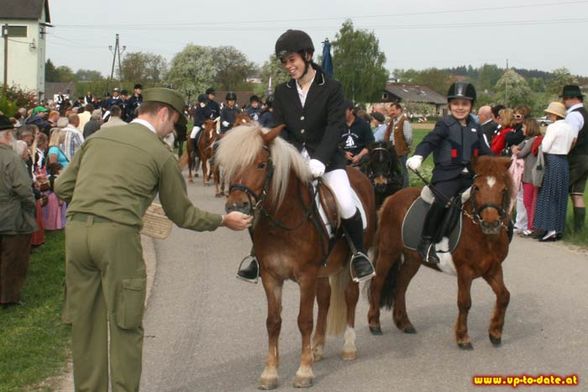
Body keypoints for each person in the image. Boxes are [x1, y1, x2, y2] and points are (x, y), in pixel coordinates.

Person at [54, 88, 252, 392]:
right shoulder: (160, 154)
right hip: (117, 238)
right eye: (173, 124)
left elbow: (62, 186)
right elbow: (183, 214)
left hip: (78, 233)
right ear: (163, 114)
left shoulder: (97, 139)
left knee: (86, 324)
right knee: (125, 324)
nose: (172, 131)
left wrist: (94, 203)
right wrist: (222, 220)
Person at [237, 29, 375, 283]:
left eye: (292, 60)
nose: (288, 66)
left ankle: (359, 255)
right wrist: (291, 156)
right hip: (291, 161)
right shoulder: (282, 91)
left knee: (345, 203)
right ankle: (257, 256)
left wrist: (320, 158)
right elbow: (280, 128)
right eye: (284, 62)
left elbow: (335, 126)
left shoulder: (332, 88)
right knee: (262, 200)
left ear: (308, 55)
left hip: (328, 161)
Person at [406, 82, 491, 263]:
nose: (460, 108)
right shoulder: (444, 125)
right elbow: (429, 141)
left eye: (465, 104)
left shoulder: (477, 128)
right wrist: (419, 156)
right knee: (443, 200)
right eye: (456, 104)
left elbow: (487, 152)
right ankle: (426, 241)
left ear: (471, 106)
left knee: (491, 198)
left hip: (471, 176)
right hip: (447, 176)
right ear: (450, 105)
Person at [0, 115, 36, 307]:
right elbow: (24, 188)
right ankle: (8, 296)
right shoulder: (12, 158)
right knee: (13, 259)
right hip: (11, 216)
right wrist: (30, 208)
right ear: (7, 135)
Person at [534, 102, 576, 241]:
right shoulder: (569, 128)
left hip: (552, 160)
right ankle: (557, 228)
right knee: (560, 196)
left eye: (550, 114)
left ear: (554, 115)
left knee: (548, 195)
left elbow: (545, 147)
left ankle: (549, 228)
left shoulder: (553, 127)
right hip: (563, 161)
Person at [562, 85, 588, 233]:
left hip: (576, 158)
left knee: (560, 190)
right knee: (577, 194)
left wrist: (564, 153)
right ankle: (578, 231)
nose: (564, 102)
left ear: (572, 98)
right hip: (585, 158)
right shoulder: (585, 113)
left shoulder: (573, 115)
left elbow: (571, 138)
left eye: (565, 99)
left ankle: (558, 226)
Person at [385, 103, 413, 187]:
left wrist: (404, 146)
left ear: (399, 110)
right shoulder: (392, 121)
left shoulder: (405, 122)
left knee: (403, 171)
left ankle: (405, 188)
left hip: (401, 151)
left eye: (393, 110)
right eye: (390, 110)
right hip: (391, 150)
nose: (391, 112)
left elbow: (409, 138)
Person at [340, 100, 374, 166]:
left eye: (344, 111)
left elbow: (370, 144)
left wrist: (359, 156)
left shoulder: (363, 124)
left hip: (361, 161)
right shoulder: (338, 125)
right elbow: (333, 143)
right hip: (341, 160)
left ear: (351, 110)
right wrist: (343, 153)